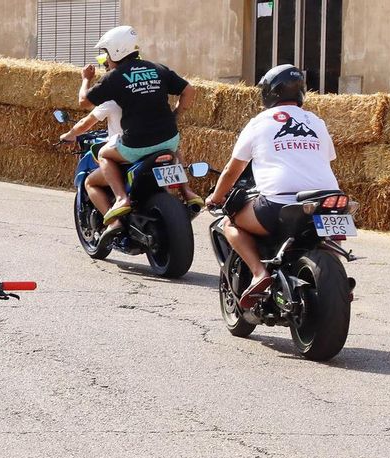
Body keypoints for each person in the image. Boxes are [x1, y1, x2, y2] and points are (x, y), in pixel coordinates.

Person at [205, 64, 339, 308]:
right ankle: (334, 281)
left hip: (279, 203)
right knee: (327, 231)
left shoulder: (260, 122)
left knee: (229, 222)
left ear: (270, 93)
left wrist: (216, 197)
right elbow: (327, 158)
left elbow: (232, 170)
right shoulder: (316, 122)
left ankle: (258, 273)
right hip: (327, 197)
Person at [61, 54, 203, 236]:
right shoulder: (154, 75)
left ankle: (117, 211)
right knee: (171, 146)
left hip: (132, 148)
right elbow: (189, 91)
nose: (107, 67)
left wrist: (70, 133)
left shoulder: (112, 91)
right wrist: (175, 114)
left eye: (107, 64)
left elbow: (85, 116)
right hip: (165, 139)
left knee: (95, 173)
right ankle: (187, 191)